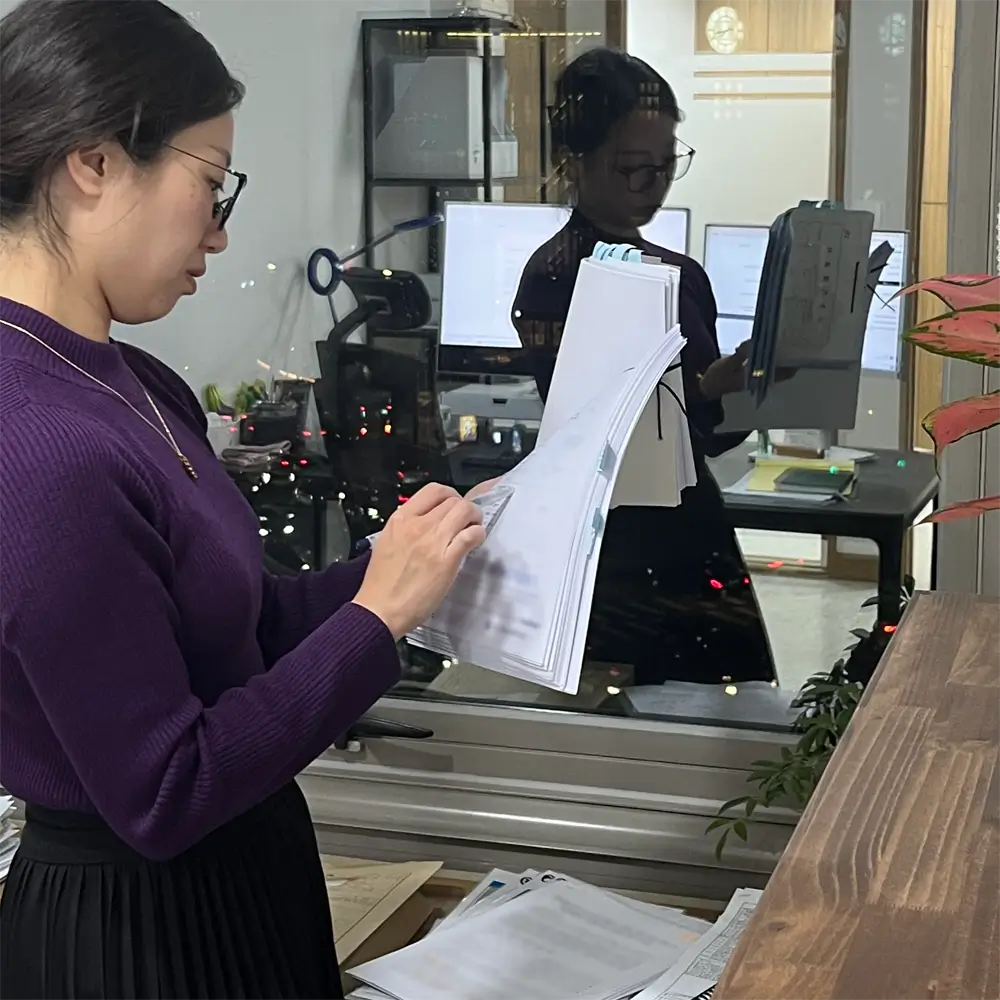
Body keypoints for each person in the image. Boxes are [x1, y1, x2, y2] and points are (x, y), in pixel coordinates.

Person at [0, 1, 486, 996]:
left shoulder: (135, 381)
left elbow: (248, 628)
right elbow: (164, 789)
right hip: (135, 937)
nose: (220, 234)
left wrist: (417, 560)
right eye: (211, 185)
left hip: (240, 881)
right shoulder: (34, 441)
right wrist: (378, 617)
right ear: (93, 162)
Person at [512, 47, 775, 687]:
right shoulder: (555, 277)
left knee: (723, 703)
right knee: (641, 708)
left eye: (666, 164)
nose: (653, 184)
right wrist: (703, 389)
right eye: (633, 167)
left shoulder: (682, 276)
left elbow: (708, 438)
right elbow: (596, 428)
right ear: (574, 163)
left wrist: (755, 384)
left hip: (689, 528)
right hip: (616, 542)